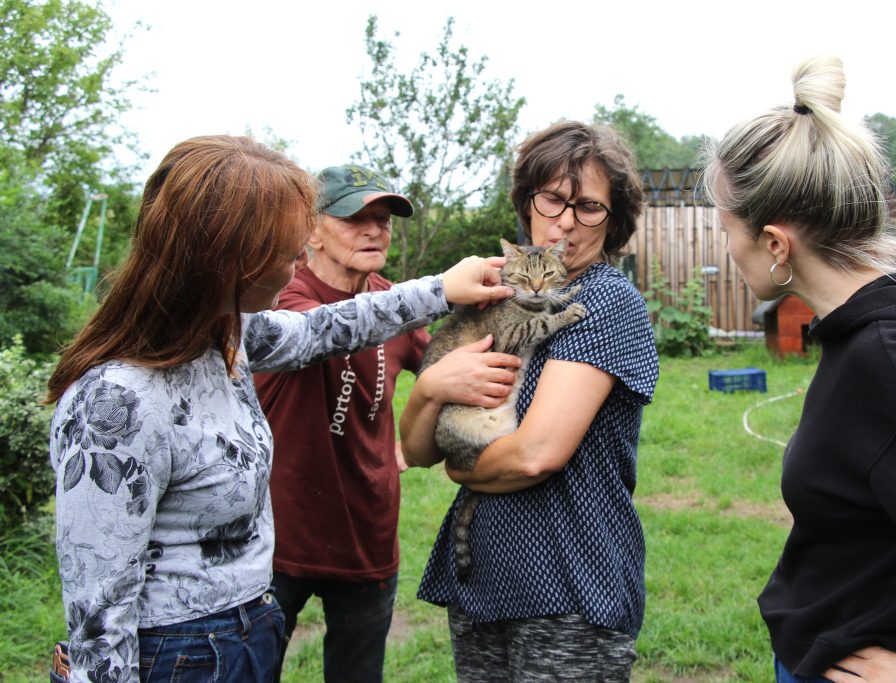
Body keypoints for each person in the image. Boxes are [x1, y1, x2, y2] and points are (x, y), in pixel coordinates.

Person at [45, 135, 513, 683]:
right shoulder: (117, 401)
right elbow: (100, 613)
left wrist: (443, 290)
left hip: (245, 631)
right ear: (227, 255)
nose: (299, 258)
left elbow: (328, 327)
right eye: (287, 247)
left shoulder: (227, 339)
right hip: (180, 655)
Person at [702, 55, 896, 683]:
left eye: (727, 229)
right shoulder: (867, 335)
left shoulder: (889, 360)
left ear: (774, 243)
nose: (726, 247)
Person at [399, 120, 660, 682]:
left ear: (613, 221)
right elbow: (416, 449)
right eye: (553, 199)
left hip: (569, 583)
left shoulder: (605, 300)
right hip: (484, 580)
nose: (566, 221)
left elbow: (534, 454)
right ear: (527, 200)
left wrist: (459, 472)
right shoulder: (493, 293)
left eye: (589, 207)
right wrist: (429, 388)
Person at [252, 163, 521, 682]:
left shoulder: (393, 303)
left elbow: (446, 371)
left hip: (366, 531)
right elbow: (320, 332)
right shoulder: (284, 301)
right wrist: (438, 290)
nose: (375, 230)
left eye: (385, 219)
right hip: (280, 536)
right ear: (312, 229)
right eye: (356, 217)